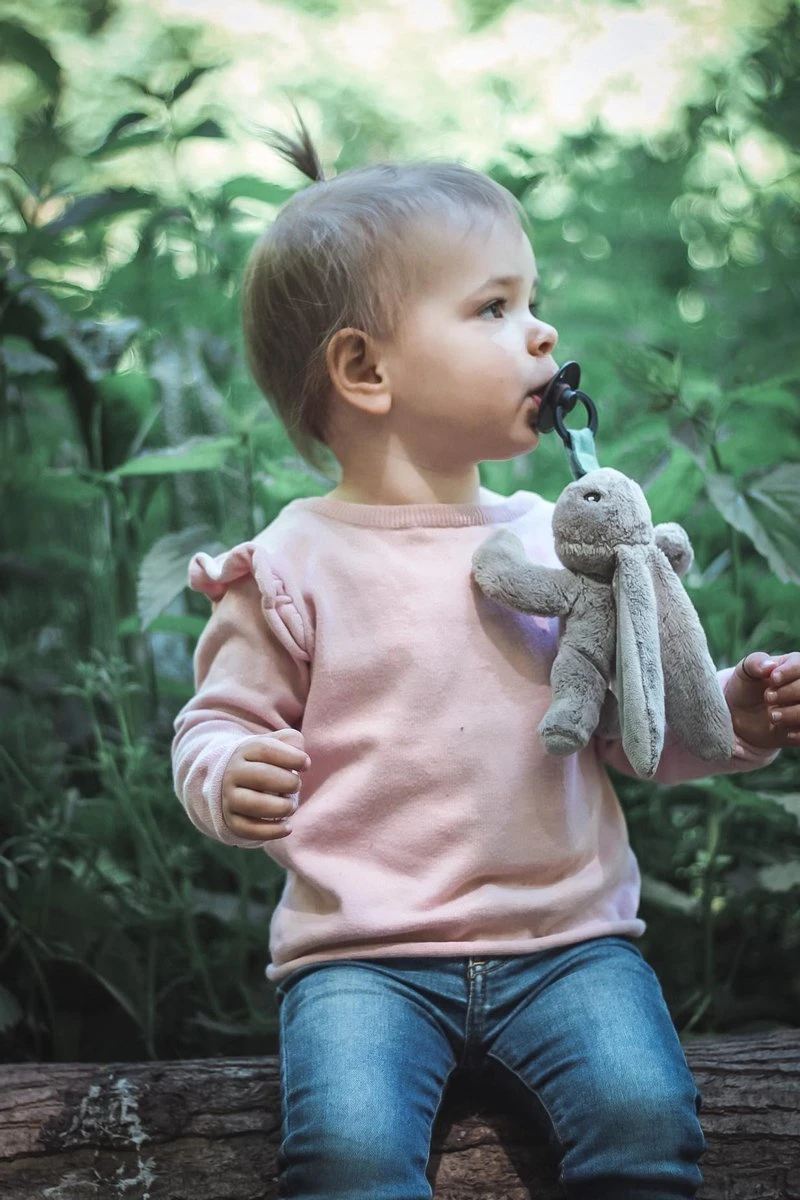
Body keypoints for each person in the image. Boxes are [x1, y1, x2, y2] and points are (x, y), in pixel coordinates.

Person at [172, 116, 800, 1200]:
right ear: (364, 369)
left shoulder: (555, 542)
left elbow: (623, 727)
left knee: (644, 1118)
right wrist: (227, 773)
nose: (543, 333)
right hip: (362, 956)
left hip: (568, 944)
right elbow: (213, 721)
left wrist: (729, 717)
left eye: (531, 299)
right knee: (346, 1154)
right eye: (494, 308)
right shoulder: (288, 565)